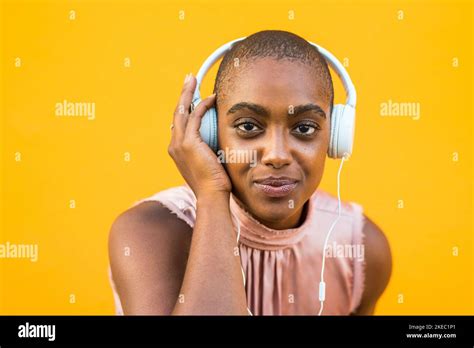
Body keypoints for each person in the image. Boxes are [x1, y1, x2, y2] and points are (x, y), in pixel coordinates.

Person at [108, 30, 392, 315]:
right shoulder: (149, 232)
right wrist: (211, 195)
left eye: (304, 128)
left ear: (336, 137)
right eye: (248, 127)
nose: (277, 155)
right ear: (209, 133)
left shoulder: (362, 248)